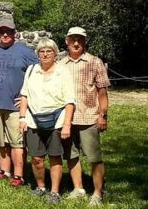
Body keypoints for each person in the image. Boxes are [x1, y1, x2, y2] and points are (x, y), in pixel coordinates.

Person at [0, 16, 39, 187]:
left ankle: (18, 175)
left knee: (17, 141)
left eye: (8, 32)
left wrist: (29, 96)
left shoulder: (24, 52)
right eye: (2, 31)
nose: (5, 34)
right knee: (1, 140)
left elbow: (38, 73)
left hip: (14, 105)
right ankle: (4, 171)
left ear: (14, 33)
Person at [19, 38, 75, 204]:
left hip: (57, 119)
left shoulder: (63, 72)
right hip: (33, 120)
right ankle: (41, 187)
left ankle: (55, 192)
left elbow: (70, 100)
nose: (45, 54)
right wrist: (22, 117)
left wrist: (66, 124)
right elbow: (24, 95)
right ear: (38, 54)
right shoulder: (31, 70)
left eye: (48, 51)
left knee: (55, 157)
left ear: (55, 54)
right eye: (41, 51)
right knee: (36, 158)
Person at [61, 27, 110, 206]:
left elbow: (102, 91)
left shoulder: (94, 62)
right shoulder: (61, 64)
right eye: (73, 39)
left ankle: (98, 193)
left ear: (85, 41)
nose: (76, 43)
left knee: (94, 157)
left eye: (80, 40)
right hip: (67, 119)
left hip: (89, 116)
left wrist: (103, 115)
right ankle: (78, 188)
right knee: (71, 155)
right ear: (66, 41)